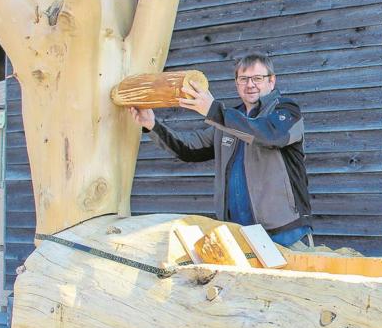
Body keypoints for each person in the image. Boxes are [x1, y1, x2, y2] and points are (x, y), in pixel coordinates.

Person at [129, 53, 313, 247]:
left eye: (258, 78)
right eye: (243, 79)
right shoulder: (227, 122)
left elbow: (269, 135)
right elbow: (189, 148)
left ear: (271, 80)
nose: (250, 84)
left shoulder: (287, 111)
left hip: (284, 232)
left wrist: (214, 111)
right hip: (238, 234)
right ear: (236, 84)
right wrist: (152, 125)